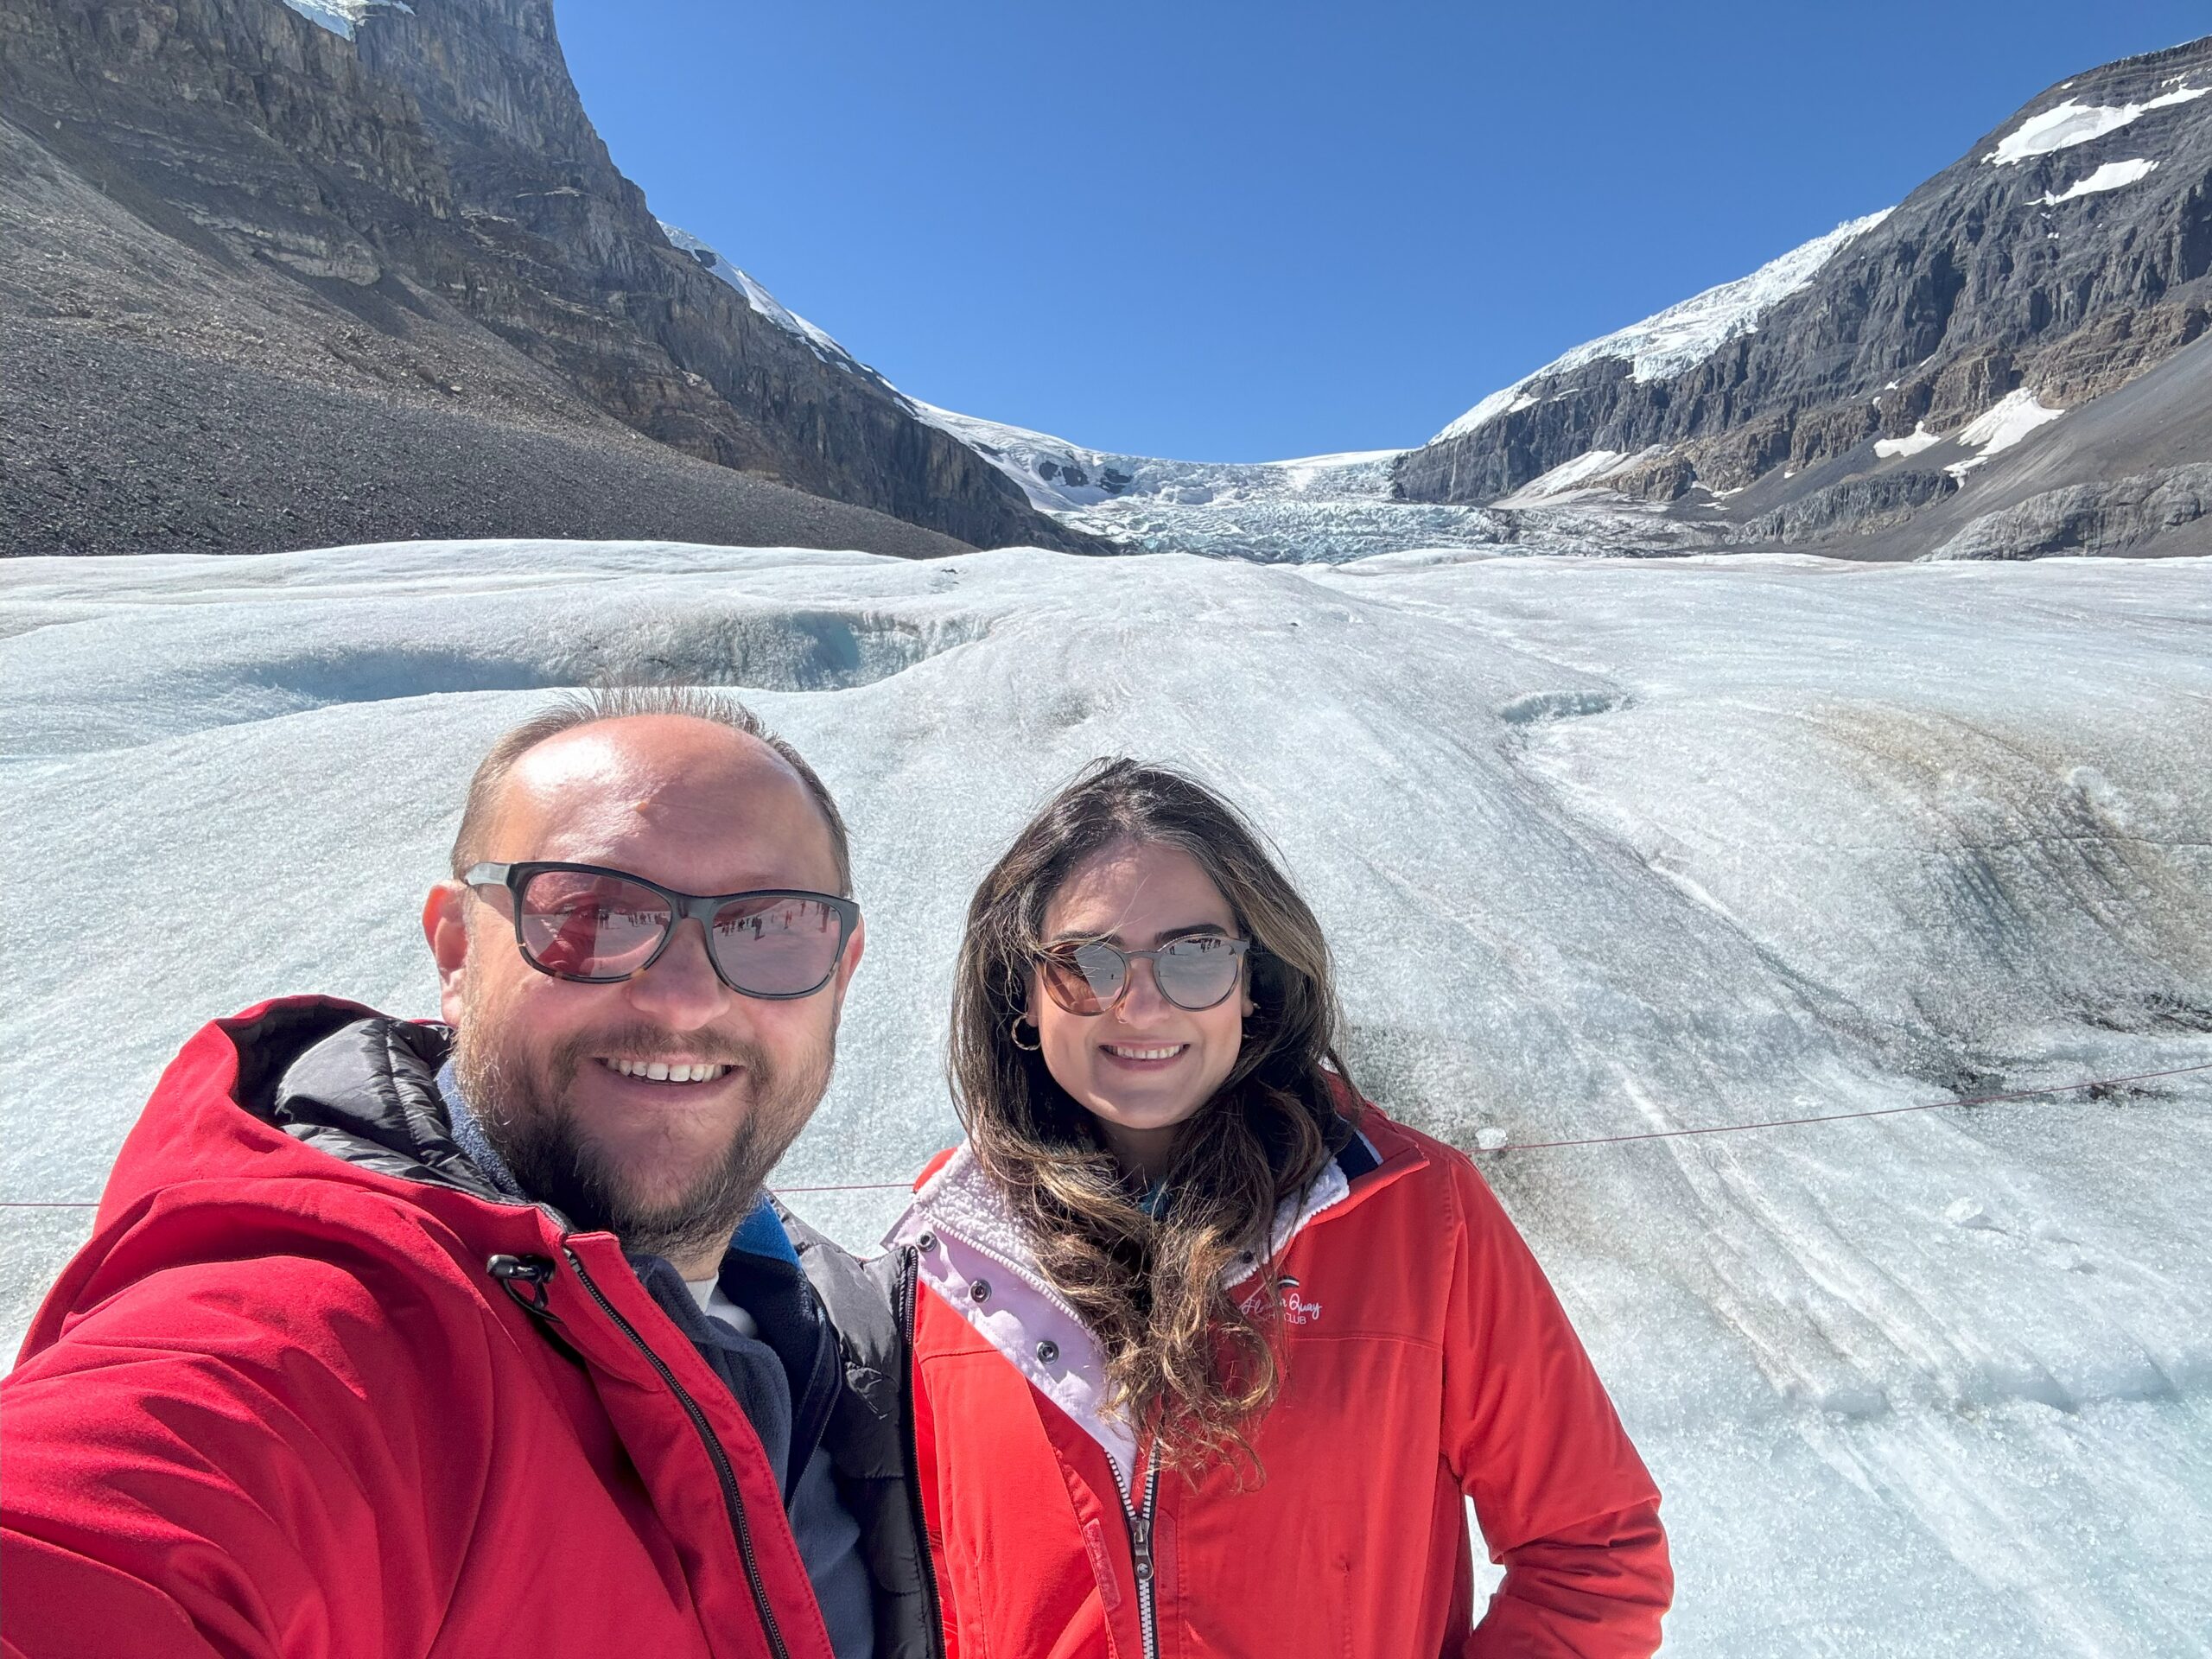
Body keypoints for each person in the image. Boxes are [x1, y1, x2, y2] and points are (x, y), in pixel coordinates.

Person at [2, 687, 936, 1659]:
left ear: (842, 968)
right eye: (590, 913)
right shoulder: (328, 1337)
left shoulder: (857, 1342)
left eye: (769, 926)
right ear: (455, 951)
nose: (685, 1000)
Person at [884, 759, 1673, 1657]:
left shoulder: (1418, 1215)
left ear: (1252, 982)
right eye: (1086, 964)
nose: (1140, 1004)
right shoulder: (945, 1259)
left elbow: (1593, 1553)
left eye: (1193, 955)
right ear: (1022, 990)